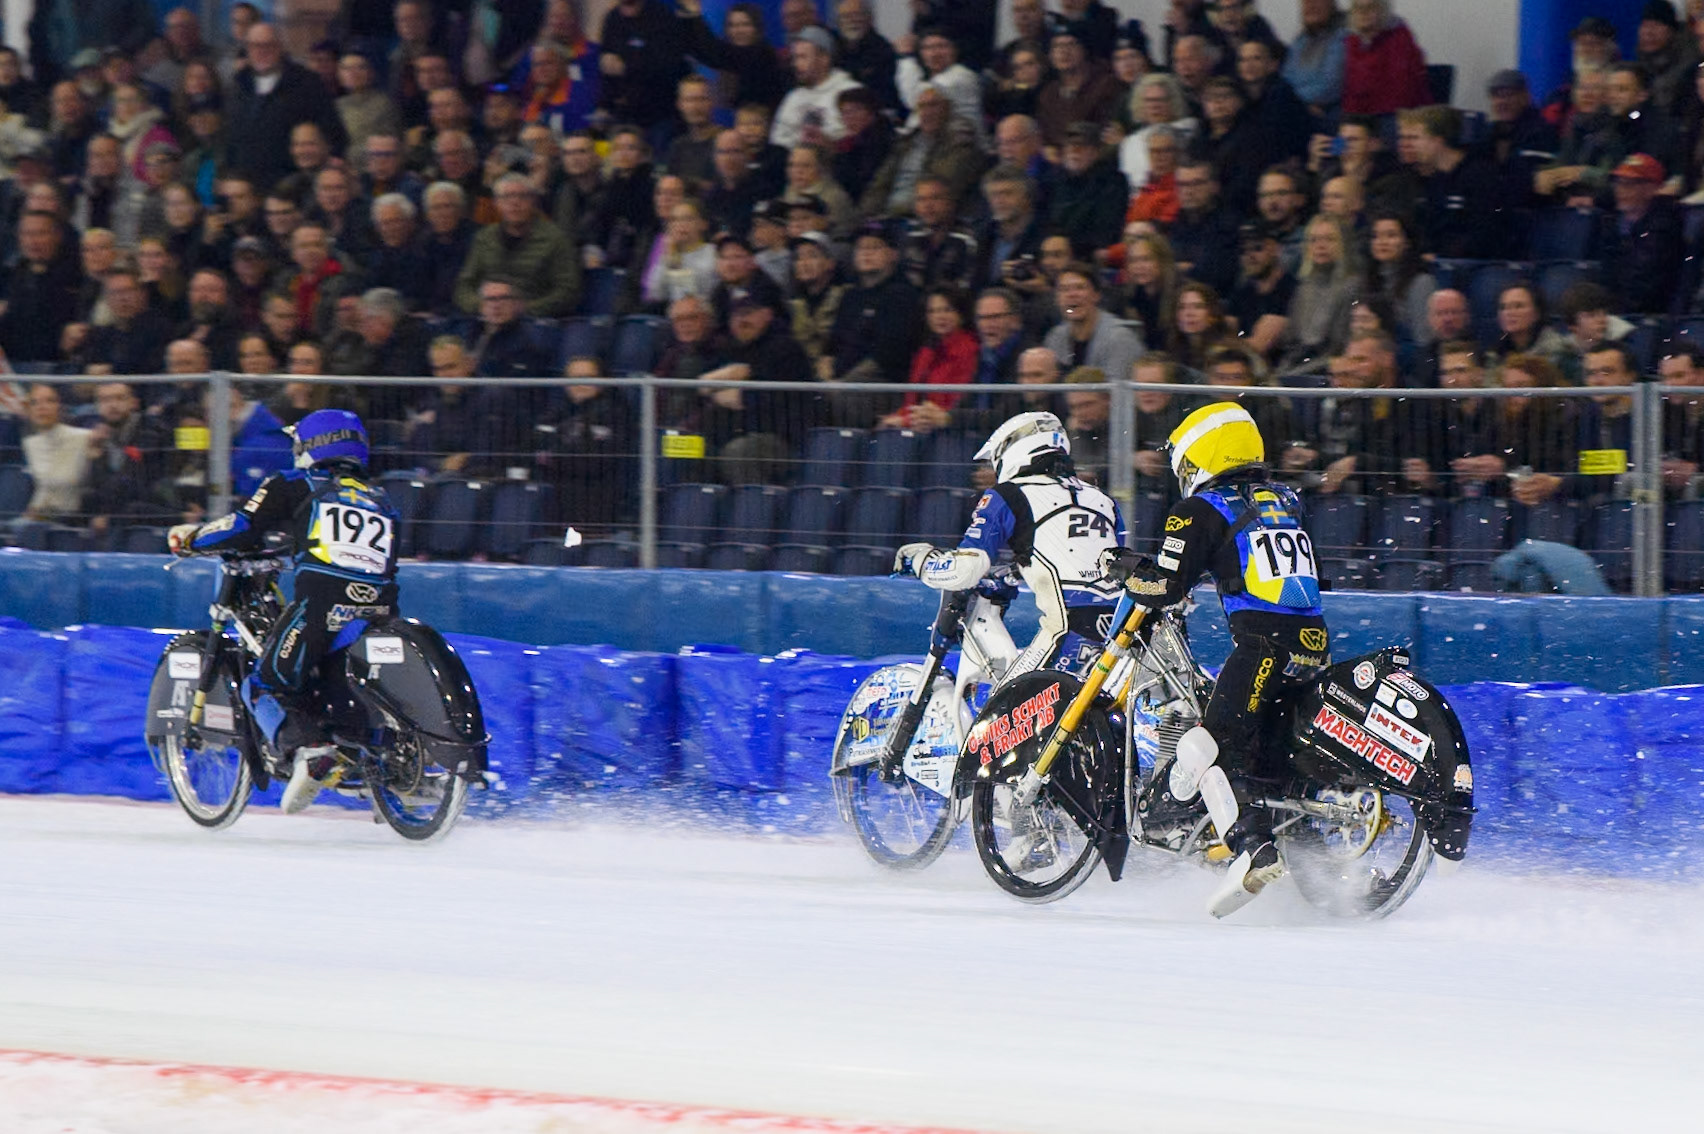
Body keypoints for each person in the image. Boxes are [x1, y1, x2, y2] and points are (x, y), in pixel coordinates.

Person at [1099, 401, 1329, 917]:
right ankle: (1307, 848)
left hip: (1263, 648)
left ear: (1201, 456)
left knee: (1207, 745)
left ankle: (1252, 849)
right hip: (1312, 644)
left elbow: (1164, 586)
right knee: (1266, 758)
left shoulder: (1198, 509)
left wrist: (1123, 566)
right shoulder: (1284, 500)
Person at [167, 410, 400, 815]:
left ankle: (309, 751)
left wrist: (190, 539)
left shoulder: (294, 483)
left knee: (265, 682)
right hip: (378, 610)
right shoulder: (380, 500)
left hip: (323, 605)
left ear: (311, 447)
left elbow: (242, 526)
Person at [894, 411, 1127, 682]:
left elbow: (967, 568)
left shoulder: (1009, 494)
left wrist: (921, 561)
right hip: (1121, 631)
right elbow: (1097, 562)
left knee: (1002, 714)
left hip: (1067, 630)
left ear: (1010, 451)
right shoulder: (1102, 499)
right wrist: (1014, 571)